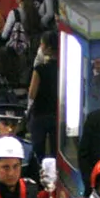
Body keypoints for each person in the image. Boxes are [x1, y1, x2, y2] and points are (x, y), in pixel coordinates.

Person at [27, 31, 58, 159]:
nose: (40, 47)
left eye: (42, 44)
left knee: (37, 148)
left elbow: (32, 93)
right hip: (56, 113)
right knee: (55, 149)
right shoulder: (63, 67)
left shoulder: (40, 69)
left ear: (48, 48)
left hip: (40, 112)